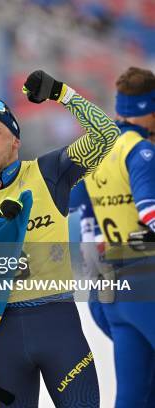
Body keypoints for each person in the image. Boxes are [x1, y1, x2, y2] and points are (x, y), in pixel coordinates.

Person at [0, 70, 121, 407]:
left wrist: (61, 92)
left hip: (58, 329)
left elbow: (107, 136)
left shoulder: (48, 172)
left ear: (15, 140)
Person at [83, 66, 155, 407]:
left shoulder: (98, 154)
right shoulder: (141, 152)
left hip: (112, 289)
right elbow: (149, 212)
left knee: (133, 395)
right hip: (146, 283)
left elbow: (81, 213)